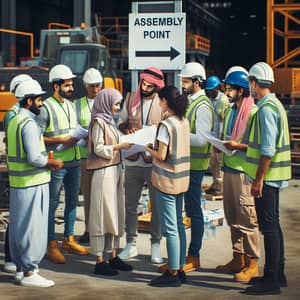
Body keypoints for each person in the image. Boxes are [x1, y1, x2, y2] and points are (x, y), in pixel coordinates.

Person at [7, 79, 63, 287]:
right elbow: (34, 158)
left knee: (19, 229)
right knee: (33, 229)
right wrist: (52, 162)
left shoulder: (14, 120)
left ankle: (21, 269)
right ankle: (30, 272)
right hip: (33, 182)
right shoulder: (29, 124)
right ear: (28, 101)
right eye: (38, 100)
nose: (41, 103)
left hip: (19, 183)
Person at [244, 62, 291, 295]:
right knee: (275, 227)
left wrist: (258, 180)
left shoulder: (265, 109)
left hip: (268, 179)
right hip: (275, 177)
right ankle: (277, 274)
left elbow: (267, 149)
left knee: (269, 228)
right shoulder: (276, 105)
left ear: (254, 83)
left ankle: (271, 280)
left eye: (249, 83)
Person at [35, 64, 88, 264]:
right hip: (57, 164)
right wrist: (60, 141)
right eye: (67, 85)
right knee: (53, 204)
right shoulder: (45, 108)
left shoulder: (70, 105)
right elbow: (37, 137)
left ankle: (69, 239)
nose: (71, 88)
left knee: (72, 202)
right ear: (55, 86)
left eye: (71, 84)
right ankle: (51, 244)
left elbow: (73, 131)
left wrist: (81, 137)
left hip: (74, 160)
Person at [215, 69, 260, 283]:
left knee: (247, 219)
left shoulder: (253, 113)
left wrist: (236, 146)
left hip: (244, 172)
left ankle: (252, 264)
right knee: (232, 216)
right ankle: (237, 258)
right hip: (229, 168)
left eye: (230, 88)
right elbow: (227, 137)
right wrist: (220, 147)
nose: (226, 92)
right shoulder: (231, 110)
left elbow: (256, 145)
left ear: (241, 91)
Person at [117, 67, 165, 263]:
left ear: (156, 86)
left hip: (153, 161)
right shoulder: (129, 98)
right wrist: (125, 127)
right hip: (133, 161)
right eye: (143, 84)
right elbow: (120, 122)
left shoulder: (162, 103)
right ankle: (131, 244)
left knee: (157, 206)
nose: (145, 87)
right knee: (130, 205)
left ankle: (155, 245)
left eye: (149, 85)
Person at [145, 86, 190, 287]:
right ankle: (179, 267)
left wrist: (146, 148)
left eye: (159, 100)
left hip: (166, 181)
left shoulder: (166, 125)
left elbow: (161, 155)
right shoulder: (183, 121)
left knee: (170, 228)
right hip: (181, 180)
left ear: (164, 101)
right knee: (179, 225)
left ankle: (171, 272)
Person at [86, 88, 133, 276]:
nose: (117, 108)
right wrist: (119, 146)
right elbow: (98, 148)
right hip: (103, 171)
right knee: (101, 215)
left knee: (115, 213)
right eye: (115, 104)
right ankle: (99, 260)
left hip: (115, 170)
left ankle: (112, 255)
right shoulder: (98, 122)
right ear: (105, 103)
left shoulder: (109, 121)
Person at [178, 62, 214, 272]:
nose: (182, 84)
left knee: (194, 211)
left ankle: (194, 255)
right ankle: (185, 255)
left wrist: (177, 132)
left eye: (186, 81)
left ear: (197, 82)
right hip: (187, 165)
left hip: (195, 166)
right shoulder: (192, 102)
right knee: (189, 210)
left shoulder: (202, 106)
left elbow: (201, 140)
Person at [2, 74, 32, 274]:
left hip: (20, 174)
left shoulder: (14, 113)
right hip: (20, 175)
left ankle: (15, 258)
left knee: (18, 219)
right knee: (16, 219)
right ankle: (12, 258)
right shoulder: (14, 115)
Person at [75, 68, 103, 244]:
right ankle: (88, 229)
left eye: (97, 86)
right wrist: (84, 137)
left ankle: (100, 230)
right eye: (92, 86)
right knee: (88, 196)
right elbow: (73, 131)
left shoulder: (107, 102)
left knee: (101, 196)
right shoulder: (76, 105)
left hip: (103, 158)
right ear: (86, 86)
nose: (95, 89)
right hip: (85, 156)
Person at [205, 75, 230, 196]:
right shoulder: (210, 100)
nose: (209, 91)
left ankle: (220, 187)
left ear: (216, 88)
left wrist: (220, 141)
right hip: (212, 137)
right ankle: (215, 184)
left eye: (210, 89)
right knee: (213, 163)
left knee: (219, 163)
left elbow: (223, 122)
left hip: (219, 138)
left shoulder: (223, 100)